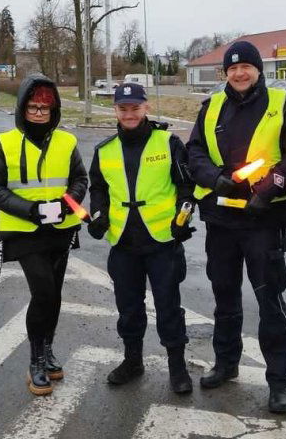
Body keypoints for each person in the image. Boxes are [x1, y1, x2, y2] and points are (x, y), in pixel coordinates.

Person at [186, 41, 286, 413]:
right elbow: (193, 152)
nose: (239, 74)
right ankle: (226, 363)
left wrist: (271, 187)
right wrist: (215, 178)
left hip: (264, 219)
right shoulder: (211, 107)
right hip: (222, 218)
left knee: (269, 299)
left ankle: (280, 381)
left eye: (246, 68)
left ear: (258, 70)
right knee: (224, 294)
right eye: (232, 69)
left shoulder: (281, 104)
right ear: (225, 73)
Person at [0, 74, 88, 396]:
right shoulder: (7, 144)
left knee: (54, 294)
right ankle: (35, 360)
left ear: (53, 110)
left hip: (60, 230)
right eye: (33, 107)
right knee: (42, 292)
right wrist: (30, 210)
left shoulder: (67, 143)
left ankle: (48, 349)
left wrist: (65, 205)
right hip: (25, 232)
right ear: (22, 109)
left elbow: (79, 181)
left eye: (45, 108)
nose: (39, 113)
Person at [87, 83, 196, 394]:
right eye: (123, 108)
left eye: (135, 107)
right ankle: (132, 361)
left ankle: (177, 368)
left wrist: (183, 218)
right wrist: (99, 216)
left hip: (162, 242)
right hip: (123, 244)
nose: (129, 113)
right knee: (128, 308)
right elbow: (98, 189)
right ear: (116, 110)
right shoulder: (104, 150)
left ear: (146, 107)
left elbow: (187, 188)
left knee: (168, 308)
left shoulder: (168, 142)